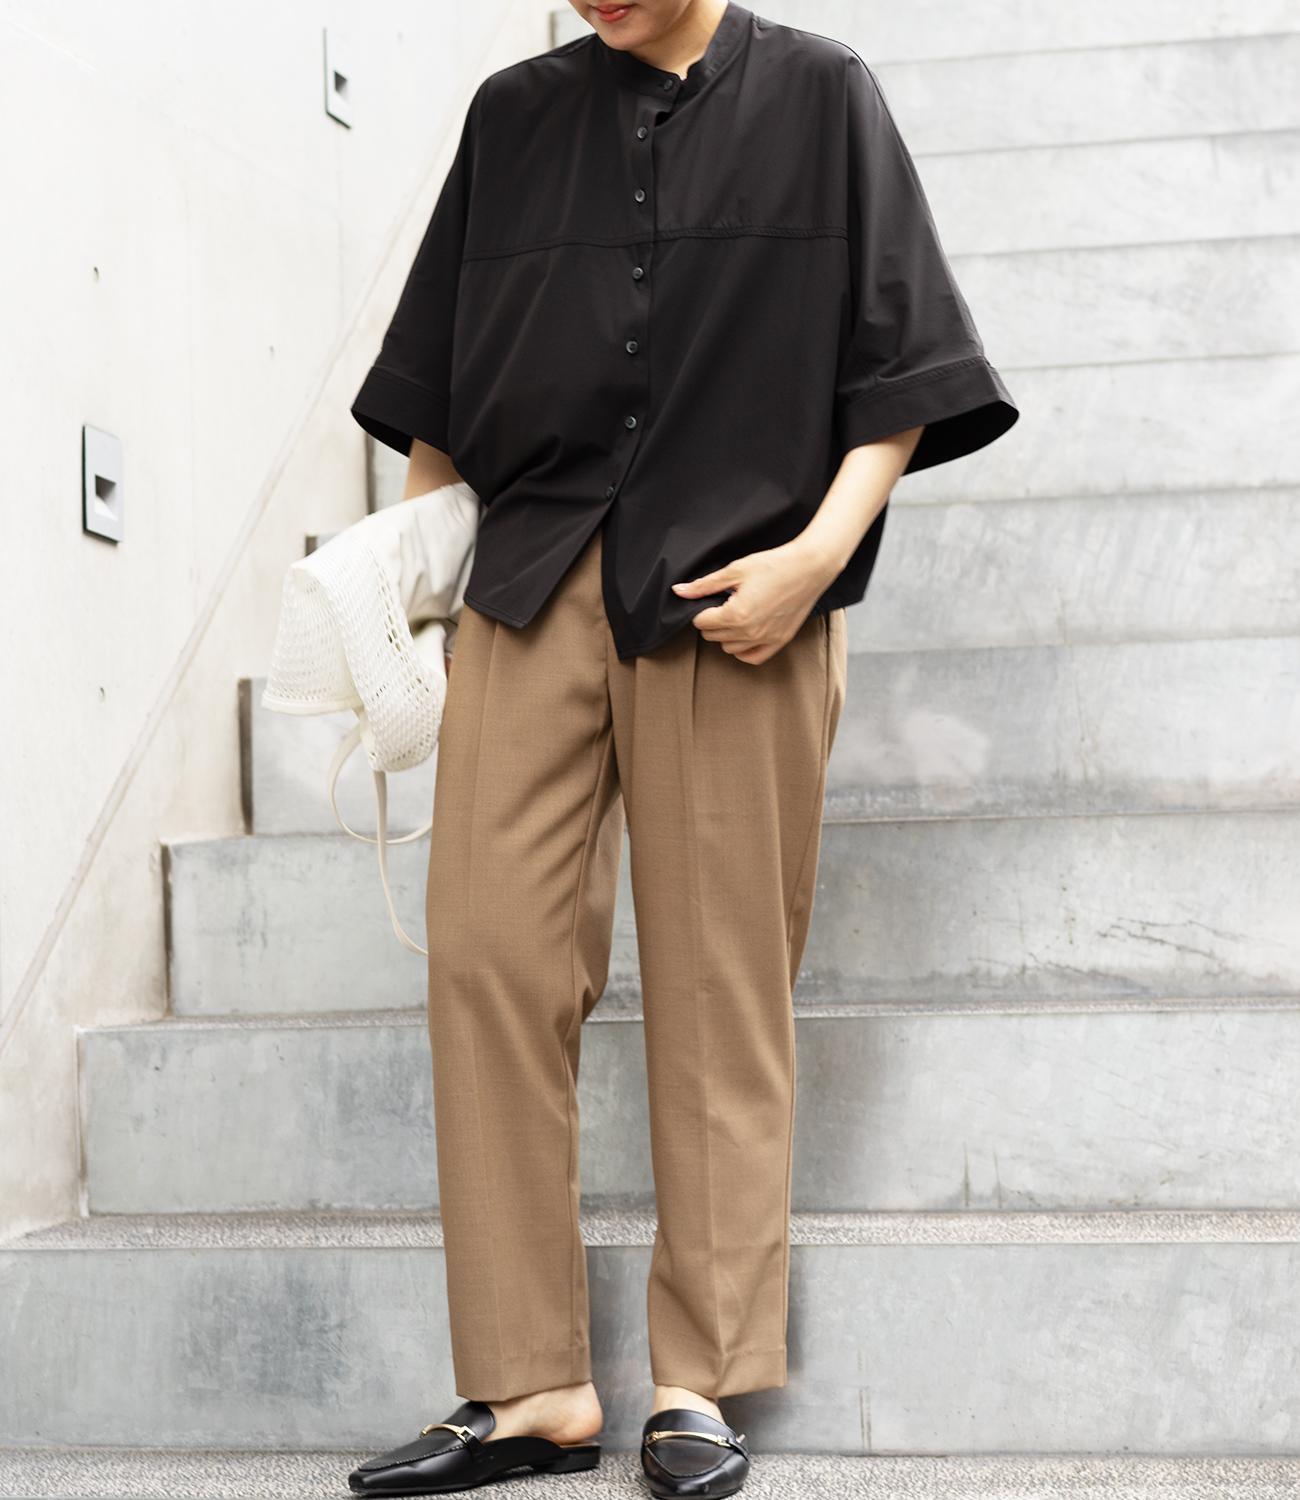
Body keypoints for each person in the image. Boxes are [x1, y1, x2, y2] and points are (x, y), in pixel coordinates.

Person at [346, 1, 1018, 1494]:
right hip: (529, 587)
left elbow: (903, 370)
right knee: (486, 953)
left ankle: (698, 1380)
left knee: (721, 981)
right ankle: (532, 1385)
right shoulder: (511, 116)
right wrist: (416, 584)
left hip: (739, 598)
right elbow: (436, 395)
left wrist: (815, 562)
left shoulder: (824, 97)